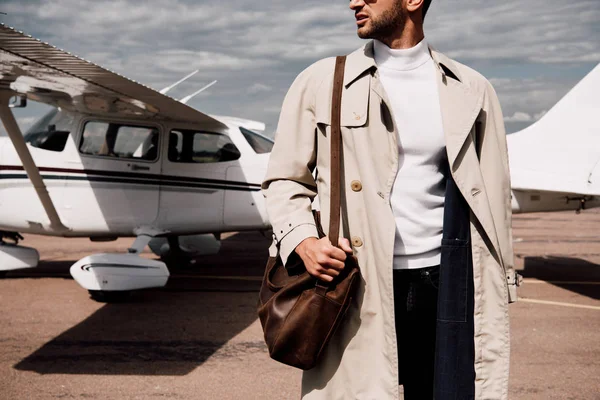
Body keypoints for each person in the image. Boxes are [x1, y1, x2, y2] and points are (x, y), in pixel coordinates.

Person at [262, 0, 519, 398]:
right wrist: (303, 241)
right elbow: (284, 179)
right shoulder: (321, 80)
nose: (354, 2)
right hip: (355, 284)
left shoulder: (471, 89)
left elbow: (493, 197)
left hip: (444, 282)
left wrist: (499, 284)